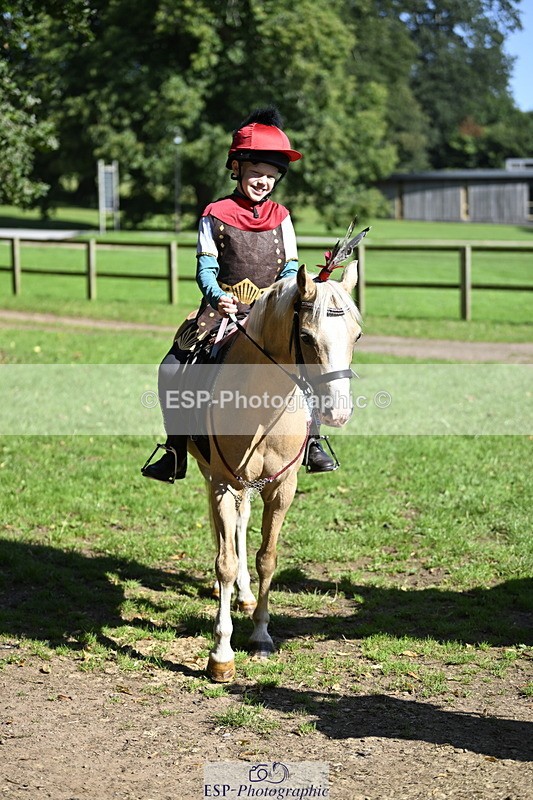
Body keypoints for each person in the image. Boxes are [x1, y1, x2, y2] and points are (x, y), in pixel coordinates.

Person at [141, 106, 336, 483]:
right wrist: (216, 296)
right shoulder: (215, 212)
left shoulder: (282, 216)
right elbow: (206, 267)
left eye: (270, 176)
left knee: (305, 357)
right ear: (237, 169)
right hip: (220, 310)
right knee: (170, 369)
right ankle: (175, 449)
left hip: (270, 313)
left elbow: (289, 267)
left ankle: (312, 440)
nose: (263, 182)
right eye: (256, 174)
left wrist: (293, 290)